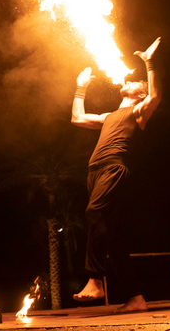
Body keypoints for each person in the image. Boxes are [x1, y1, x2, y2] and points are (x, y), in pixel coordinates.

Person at [70, 37, 162, 313]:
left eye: (137, 82)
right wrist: (80, 87)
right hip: (95, 172)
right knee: (115, 238)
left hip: (114, 168)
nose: (129, 80)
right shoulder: (109, 115)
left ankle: (95, 280)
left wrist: (149, 62)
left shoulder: (138, 112)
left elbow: (156, 96)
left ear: (140, 94)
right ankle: (136, 298)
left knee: (94, 212)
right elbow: (77, 117)